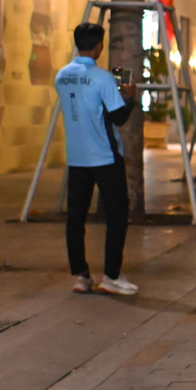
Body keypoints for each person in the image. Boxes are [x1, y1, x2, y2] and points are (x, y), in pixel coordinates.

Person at [54, 22, 140, 296]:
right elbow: (118, 118)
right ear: (99, 46)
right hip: (105, 156)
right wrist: (130, 98)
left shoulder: (62, 76)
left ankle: (81, 276)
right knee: (117, 214)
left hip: (76, 157)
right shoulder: (102, 78)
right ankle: (112, 276)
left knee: (76, 218)